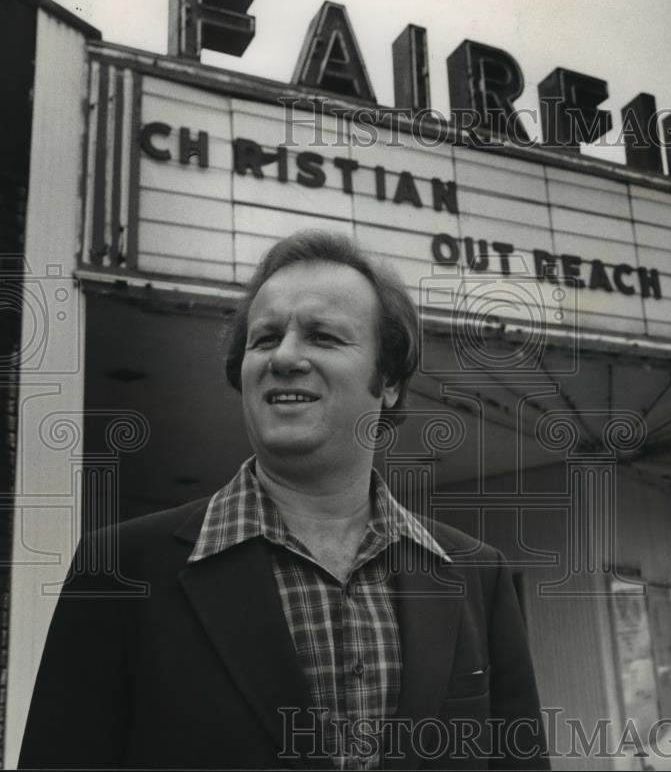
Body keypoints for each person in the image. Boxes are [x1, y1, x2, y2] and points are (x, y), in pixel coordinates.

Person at [19, 231, 549, 770]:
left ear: (387, 380)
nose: (286, 356)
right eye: (265, 338)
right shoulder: (118, 569)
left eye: (322, 337)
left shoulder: (477, 575)